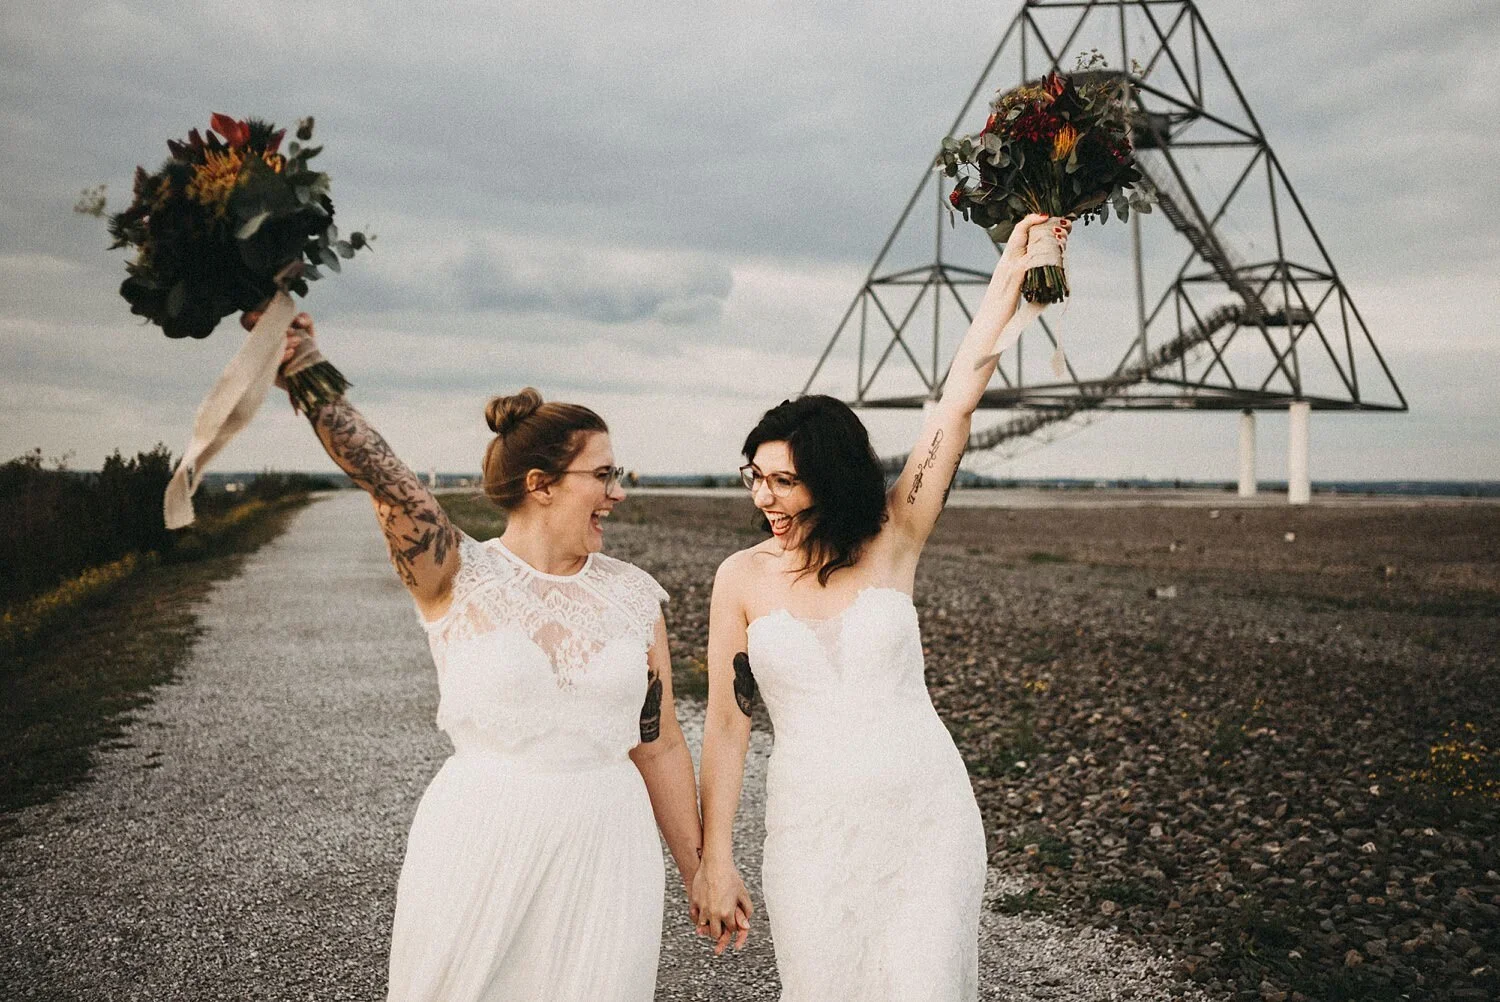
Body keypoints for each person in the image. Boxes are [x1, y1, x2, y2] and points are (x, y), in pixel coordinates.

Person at [244, 310, 702, 1002]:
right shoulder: (455, 574)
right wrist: (312, 380)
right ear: (541, 484)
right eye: (604, 476)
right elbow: (385, 477)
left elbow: (661, 746)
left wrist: (701, 872)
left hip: (607, 854)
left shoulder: (634, 598)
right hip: (482, 842)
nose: (619, 493)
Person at [689, 214, 1070, 999]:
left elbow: (954, 405)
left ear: (830, 478)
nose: (766, 497)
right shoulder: (740, 579)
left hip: (926, 820)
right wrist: (713, 858)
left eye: (784, 481)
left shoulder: (896, 534)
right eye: (755, 477)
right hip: (811, 834)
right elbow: (728, 725)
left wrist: (1013, 271)